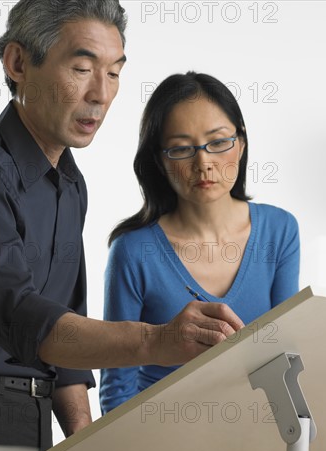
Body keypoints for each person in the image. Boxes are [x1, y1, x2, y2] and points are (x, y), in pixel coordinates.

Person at [0, 1, 243, 451]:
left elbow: (67, 332)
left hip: (35, 421)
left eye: (114, 72)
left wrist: (86, 447)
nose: (101, 94)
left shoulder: (71, 182)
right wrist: (156, 340)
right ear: (18, 63)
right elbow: (25, 318)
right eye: (82, 68)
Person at [100, 72, 300, 413]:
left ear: (242, 142)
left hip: (252, 435)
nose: (203, 163)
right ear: (160, 161)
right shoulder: (133, 252)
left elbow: (285, 358)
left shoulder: (280, 231)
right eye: (180, 149)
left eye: (219, 142)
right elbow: (117, 387)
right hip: (159, 441)